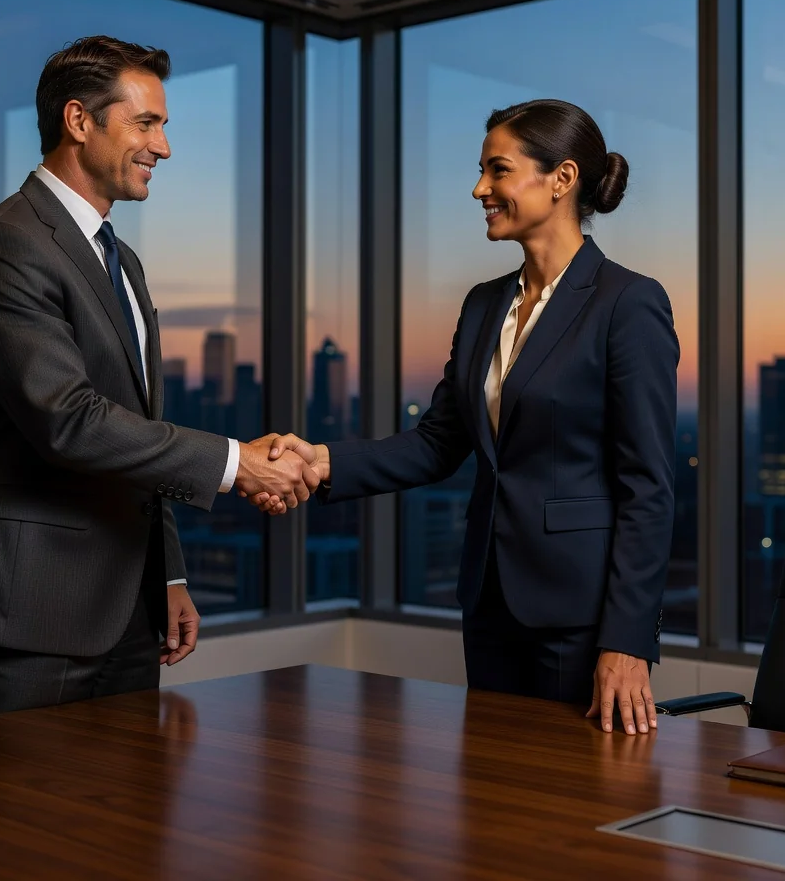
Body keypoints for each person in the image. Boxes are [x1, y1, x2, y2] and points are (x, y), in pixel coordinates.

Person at [250, 99, 679, 736]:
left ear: (560, 180)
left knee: (571, 812)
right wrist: (320, 460)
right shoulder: (483, 305)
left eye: (497, 170)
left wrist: (629, 640)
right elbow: (439, 441)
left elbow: (649, 489)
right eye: (482, 171)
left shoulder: (628, 303)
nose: (479, 188)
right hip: (490, 602)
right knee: (489, 803)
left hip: (581, 615)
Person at [0, 35, 318, 718]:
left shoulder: (122, 260)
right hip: (32, 613)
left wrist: (165, 573)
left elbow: (136, 428)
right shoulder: (5, 246)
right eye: (146, 123)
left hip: (129, 611)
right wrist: (237, 464)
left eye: (162, 126)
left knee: (128, 820)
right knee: (24, 823)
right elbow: (70, 421)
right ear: (79, 122)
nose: (162, 147)